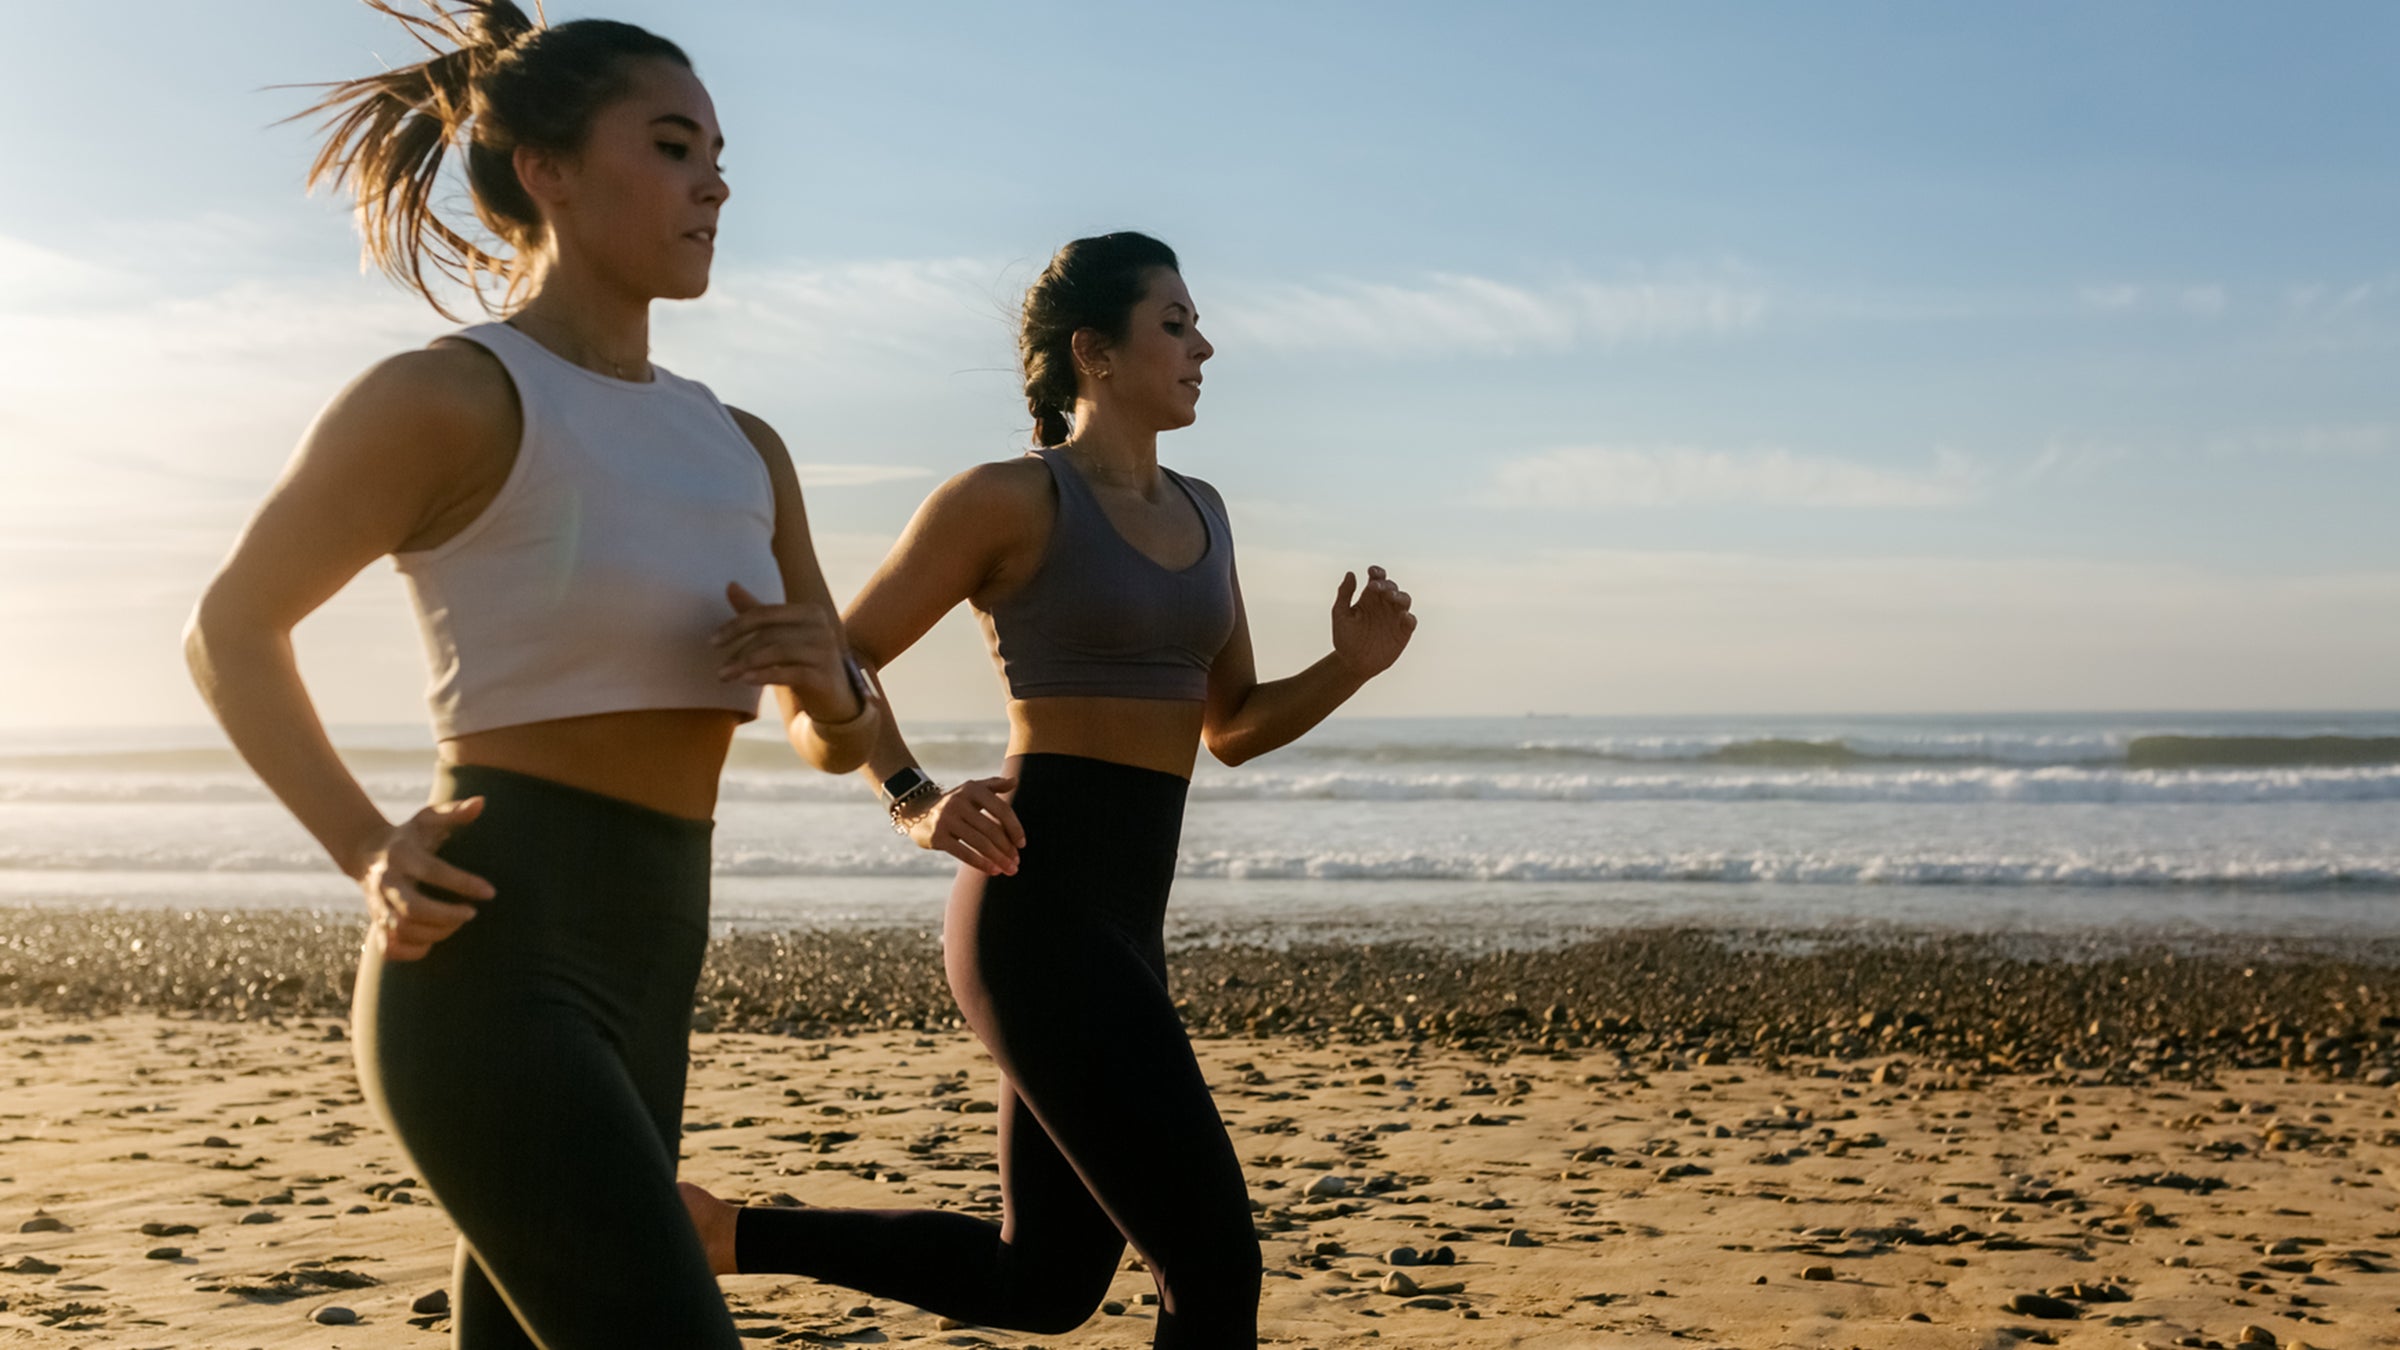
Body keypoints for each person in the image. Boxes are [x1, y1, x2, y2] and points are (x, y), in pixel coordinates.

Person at [182, 3, 885, 1343]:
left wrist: (836, 689)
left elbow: (838, 736)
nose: (716, 184)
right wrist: (366, 847)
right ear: (547, 171)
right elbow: (231, 628)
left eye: (719, 155)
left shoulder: (744, 445)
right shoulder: (451, 396)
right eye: (672, 147)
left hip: (657, 960)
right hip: (489, 964)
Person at [678, 232, 1418, 1348]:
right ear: (1094, 352)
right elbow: (838, 658)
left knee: (1047, 1282)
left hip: (1128, 922)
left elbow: (1230, 727)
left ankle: (724, 1234)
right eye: (1176, 322)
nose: (1205, 346)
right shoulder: (1009, 499)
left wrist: (1348, 669)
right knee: (1212, 1263)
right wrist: (911, 797)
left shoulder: (1206, 510)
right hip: (1035, 907)